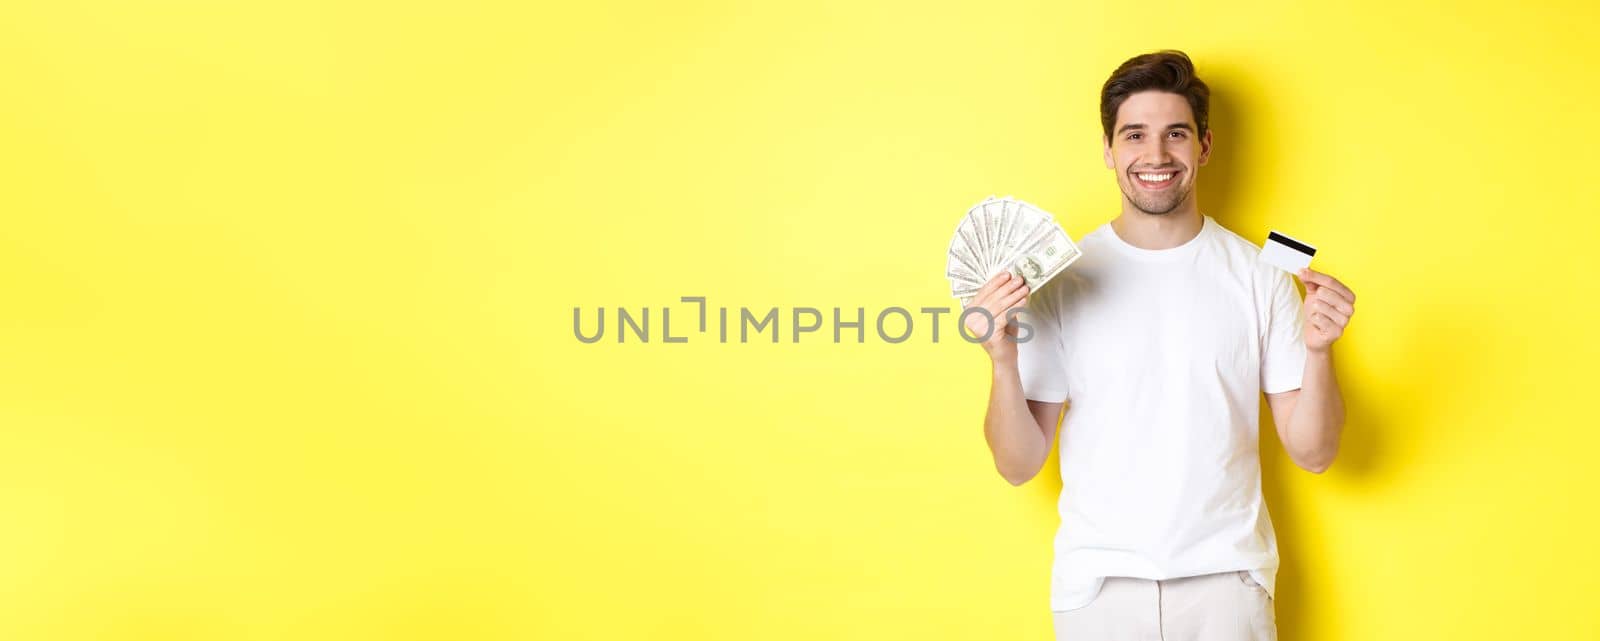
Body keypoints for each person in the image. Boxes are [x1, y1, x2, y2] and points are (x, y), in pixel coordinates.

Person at [964, 50, 1357, 640]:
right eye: (1134, 135)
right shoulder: (1058, 278)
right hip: (1099, 588)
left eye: (1176, 133)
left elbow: (1315, 452)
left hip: (1227, 584)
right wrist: (1001, 358)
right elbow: (1017, 465)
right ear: (1108, 150)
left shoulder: (1258, 274)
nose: (1155, 155)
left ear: (1204, 146)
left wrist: (1321, 352)